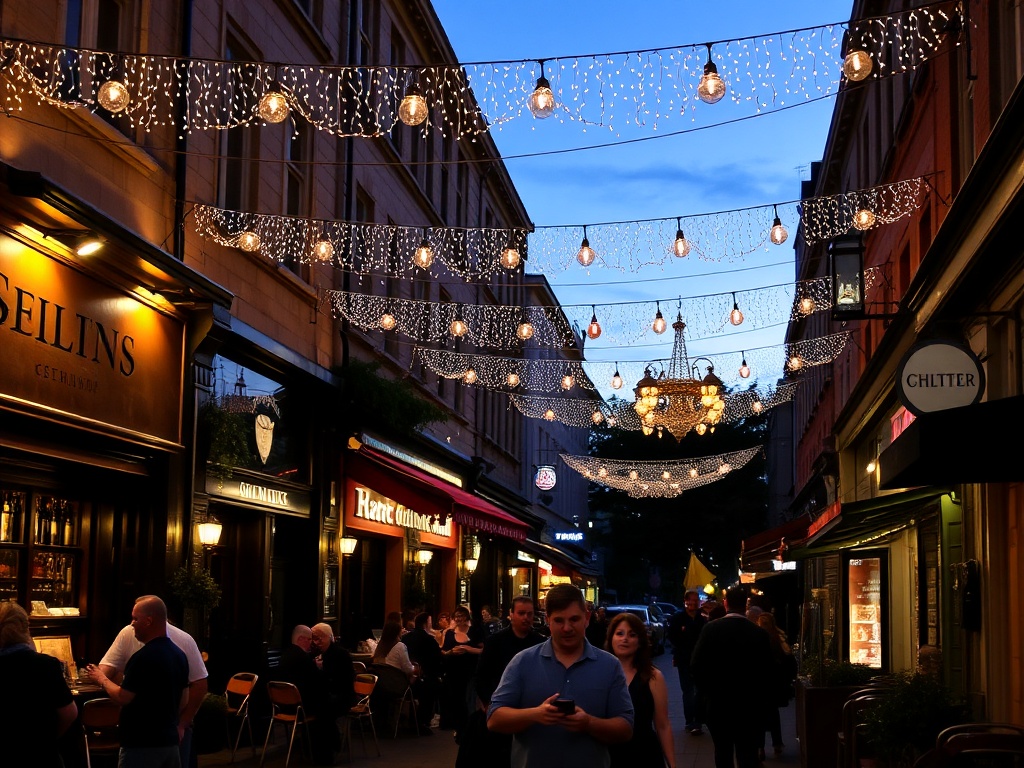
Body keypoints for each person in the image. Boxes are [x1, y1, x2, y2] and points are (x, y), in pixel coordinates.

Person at [487, 584, 634, 768]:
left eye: (574, 619)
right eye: (558, 620)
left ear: (587, 618)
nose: (566, 628)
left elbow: (626, 728)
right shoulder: (522, 662)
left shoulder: (609, 666)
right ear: (547, 620)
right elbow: (494, 719)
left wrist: (588, 723)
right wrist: (535, 714)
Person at [98, 597, 209, 768]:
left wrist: (101, 679)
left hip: (142, 742)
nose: (132, 624)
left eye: (135, 619)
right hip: (169, 739)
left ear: (149, 621)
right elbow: (184, 697)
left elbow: (123, 697)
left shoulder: (143, 657)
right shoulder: (178, 653)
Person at [690, 586, 773, 768]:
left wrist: (708, 692)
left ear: (726, 603)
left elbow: (696, 665)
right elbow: (768, 671)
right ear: (745, 605)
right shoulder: (758, 634)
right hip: (749, 705)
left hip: (718, 704)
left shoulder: (710, 629)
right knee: (747, 754)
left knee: (722, 751)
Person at [460, 596, 546, 768]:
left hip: (529, 710)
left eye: (529, 614)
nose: (525, 618)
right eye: (521, 613)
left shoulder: (540, 643)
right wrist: (488, 704)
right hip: (501, 709)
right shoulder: (495, 642)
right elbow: (481, 676)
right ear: (511, 614)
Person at [0, 602, 78, 768]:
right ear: (25, 628)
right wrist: (50, 737)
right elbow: (70, 713)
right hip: (41, 754)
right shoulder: (45, 665)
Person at [606, 612, 675, 768]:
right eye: (619, 634)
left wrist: (672, 763)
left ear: (640, 641)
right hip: (609, 755)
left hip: (645, 754)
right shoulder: (600, 674)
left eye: (632, 635)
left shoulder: (653, 677)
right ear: (611, 638)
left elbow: (663, 725)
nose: (625, 639)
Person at [278, 624, 337, 765]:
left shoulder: (285, 656)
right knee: (326, 708)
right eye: (310, 640)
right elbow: (318, 683)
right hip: (300, 709)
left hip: (282, 707)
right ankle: (324, 755)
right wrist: (319, 669)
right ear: (301, 639)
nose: (312, 643)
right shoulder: (302, 658)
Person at [666, 589, 707, 735]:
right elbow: (672, 637)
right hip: (684, 660)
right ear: (686, 601)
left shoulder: (701, 619)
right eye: (692, 600)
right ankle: (690, 721)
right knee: (688, 691)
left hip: (700, 660)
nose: (694, 603)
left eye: (697, 600)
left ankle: (699, 719)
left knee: (700, 690)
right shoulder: (678, 618)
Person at [756, 612, 796, 760]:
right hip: (774, 685)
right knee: (773, 715)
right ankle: (777, 744)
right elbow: (790, 661)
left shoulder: (756, 638)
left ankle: (760, 747)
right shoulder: (779, 638)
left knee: (758, 717)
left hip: (759, 685)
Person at [440, 605, 483, 734]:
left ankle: (468, 725)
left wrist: (468, 649)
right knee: (455, 698)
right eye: (457, 616)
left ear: (467, 617)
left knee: (468, 698)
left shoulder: (474, 631)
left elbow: (483, 650)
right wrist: (451, 653)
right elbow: (442, 651)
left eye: (462, 616)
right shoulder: (448, 633)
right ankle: (457, 726)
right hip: (453, 671)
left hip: (470, 670)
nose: (459, 619)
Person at [402, 612, 444, 734]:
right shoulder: (429, 640)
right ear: (426, 623)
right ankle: (424, 721)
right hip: (425, 679)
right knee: (435, 687)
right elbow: (437, 660)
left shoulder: (406, 638)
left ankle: (414, 719)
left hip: (408, 678)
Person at [311, 622, 356, 710]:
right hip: (329, 694)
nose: (313, 642)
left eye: (314, 638)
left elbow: (341, 681)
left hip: (341, 697)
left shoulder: (341, 654)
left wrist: (320, 669)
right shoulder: (318, 653)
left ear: (322, 639)